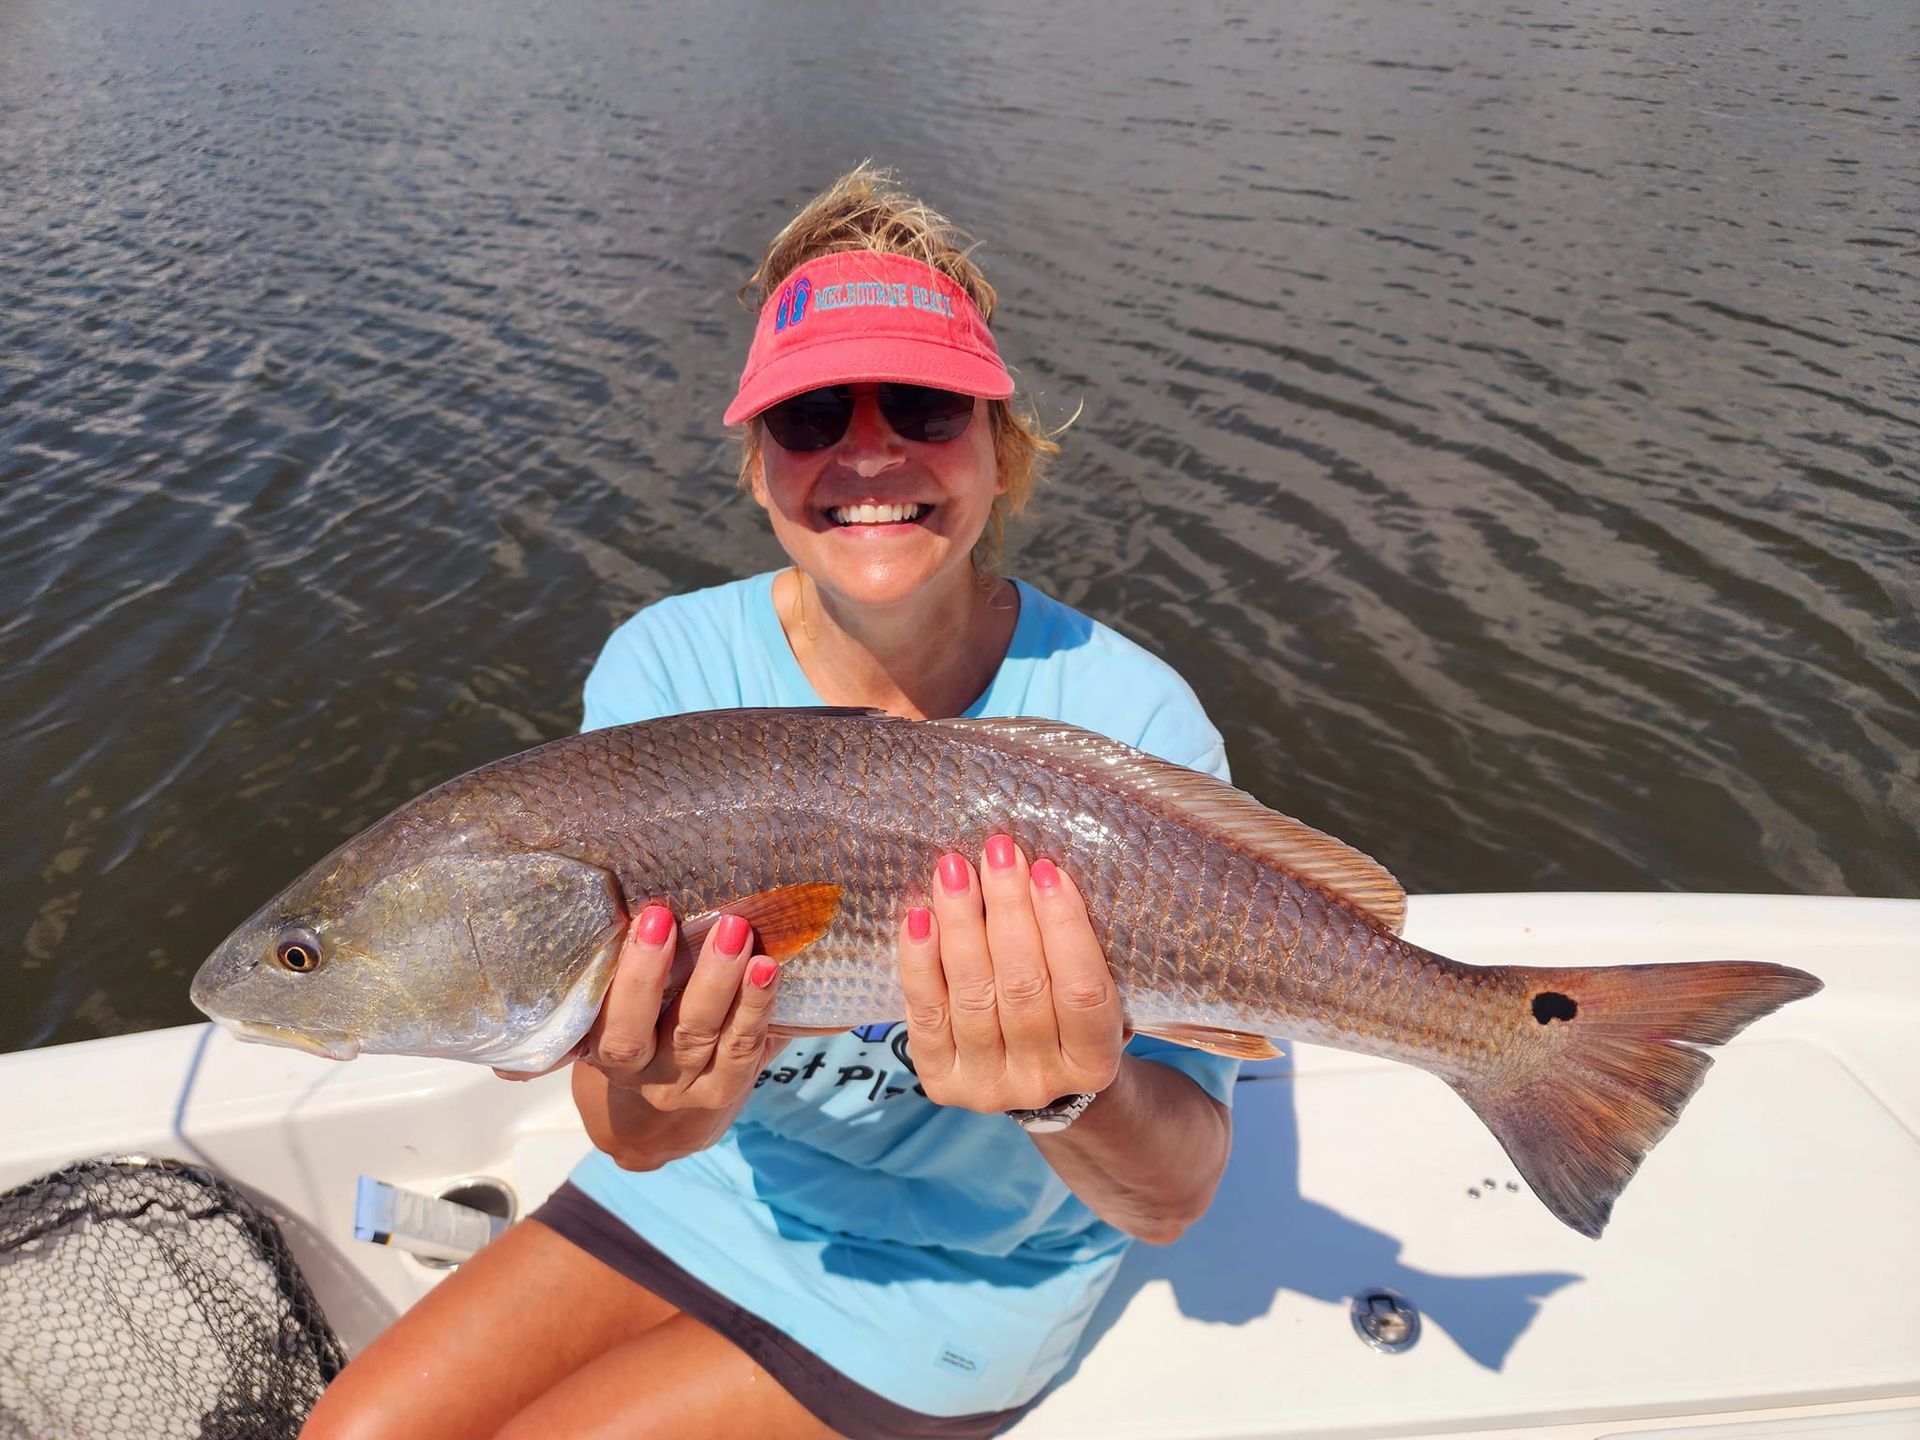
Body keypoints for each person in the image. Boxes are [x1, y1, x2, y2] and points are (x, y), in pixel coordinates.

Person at [302, 164, 1237, 1440]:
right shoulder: (664, 669)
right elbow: (637, 1138)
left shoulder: (1131, 718)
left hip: (964, 1273)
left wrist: (1066, 1091)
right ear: (756, 468)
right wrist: (673, 1083)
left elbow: (1172, 1199)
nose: (868, 451)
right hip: (727, 1185)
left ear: (1002, 451)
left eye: (923, 405)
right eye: (807, 418)